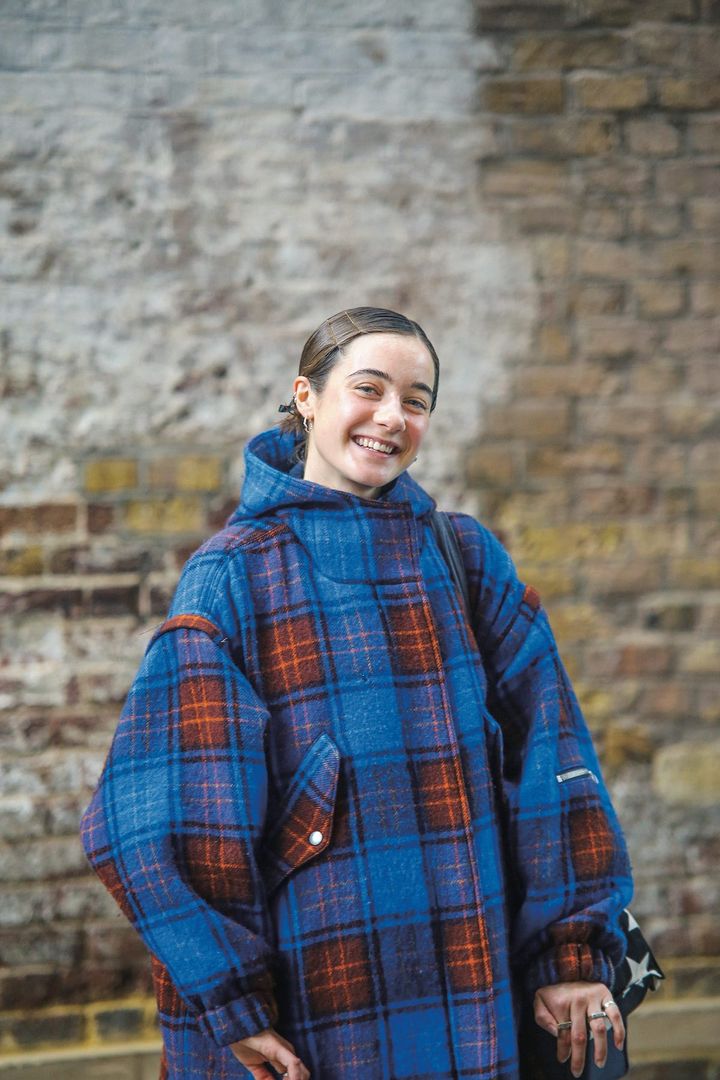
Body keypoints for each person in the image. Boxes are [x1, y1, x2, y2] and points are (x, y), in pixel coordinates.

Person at [81, 307, 633, 1080]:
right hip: (317, 999)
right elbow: (154, 818)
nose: (392, 417)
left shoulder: (466, 558)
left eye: (416, 400)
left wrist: (570, 951)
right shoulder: (233, 576)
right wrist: (232, 1001)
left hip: (481, 991)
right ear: (306, 396)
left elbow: (556, 761)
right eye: (368, 388)